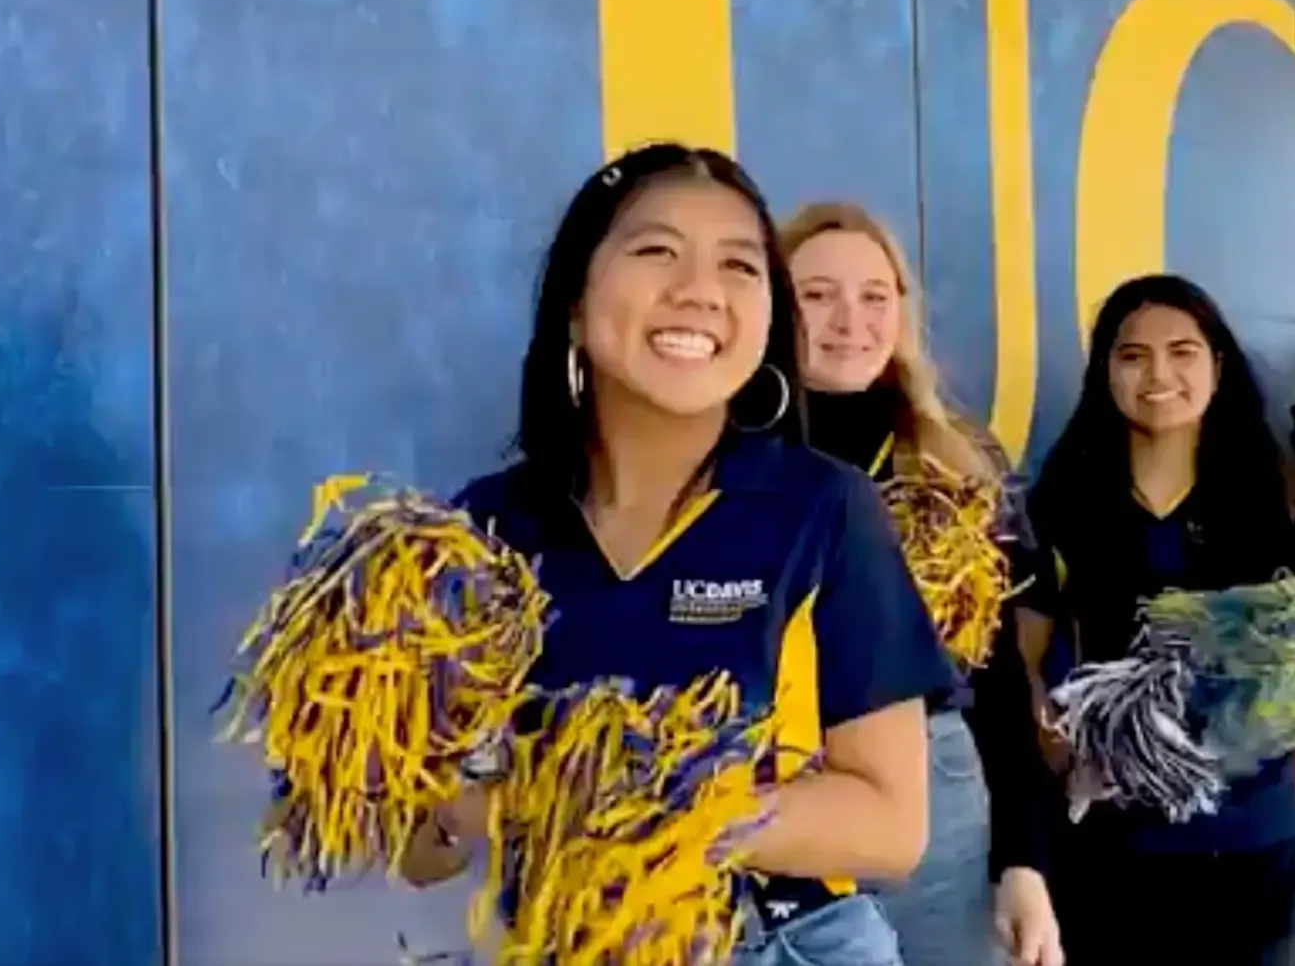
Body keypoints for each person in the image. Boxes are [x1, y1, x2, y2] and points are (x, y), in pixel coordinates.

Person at [397, 143, 956, 966]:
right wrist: (470, 809)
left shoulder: (823, 507)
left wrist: (652, 809)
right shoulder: (483, 528)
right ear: (578, 305)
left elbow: (890, 827)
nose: (699, 291)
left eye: (740, 265)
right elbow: (419, 851)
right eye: (657, 250)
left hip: (783, 941)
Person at [1017, 274, 1295, 966]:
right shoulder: (1065, 495)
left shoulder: (1275, 491)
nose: (1158, 374)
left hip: (1257, 839)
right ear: (1105, 370)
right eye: (1132, 355)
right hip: (1113, 846)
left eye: (1182, 351)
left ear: (1217, 364)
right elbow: (1026, 649)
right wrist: (1048, 736)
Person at [777, 201, 1064, 966]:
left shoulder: (950, 463)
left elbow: (1003, 684)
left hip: (943, 796)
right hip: (778, 798)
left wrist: (1023, 862)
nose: (851, 319)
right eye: (817, 294)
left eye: (876, 295)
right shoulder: (727, 456)